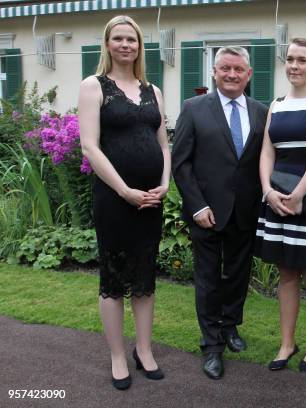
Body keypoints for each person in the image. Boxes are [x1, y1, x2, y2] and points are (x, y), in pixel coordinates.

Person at [78, 15, 170, 390]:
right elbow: (89, 146)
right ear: (108, 43)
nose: (125, 45)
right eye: (118, 38)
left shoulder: (153, 90)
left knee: (145, 277)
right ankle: (118, 355)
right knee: (114, 280)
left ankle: (144, 350)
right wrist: (124, 190)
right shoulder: (94, 86)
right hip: (115, 200)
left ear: (139, 45)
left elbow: (164, 143)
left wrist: (164, 184)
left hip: (151, 200)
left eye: (131, 39)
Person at [172, 46, 268, 380]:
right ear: (214, 72)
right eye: (225, 68)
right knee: (209, 279)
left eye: (238, 69)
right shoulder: (194, 108)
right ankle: (211, 345)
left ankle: (230, 327)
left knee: (238, 275)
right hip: (206, 212)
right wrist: (197, 205)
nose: (231, 74)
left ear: (248, 74)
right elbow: (180, 163)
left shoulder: (261, 112)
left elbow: (262, 162)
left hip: (245, 211)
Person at [254, 38, 306, 372]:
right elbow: (266, 152)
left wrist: (300, 192)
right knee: (286, 272)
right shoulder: (275, 103)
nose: (294, 66)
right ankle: (287, 343)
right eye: (289, 59)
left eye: (302, 60)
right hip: (277, 195)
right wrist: (267, 191)